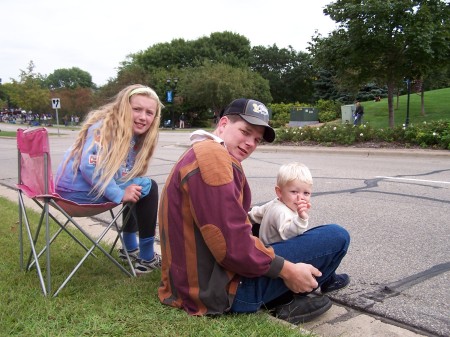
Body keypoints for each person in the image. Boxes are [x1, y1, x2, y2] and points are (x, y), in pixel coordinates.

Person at [158, 98, 351, 324]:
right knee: (336, 237)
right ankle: (288, 296)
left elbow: (225, 221)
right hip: (221, 291)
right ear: (223, 124)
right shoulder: (213, 160)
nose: (250, 143)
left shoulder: (203, 151)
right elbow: (231, 247)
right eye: (245, 131)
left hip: (194, 281)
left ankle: (285, 295)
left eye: (256, 139)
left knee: (270, 226)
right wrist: (287, 270)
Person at [55, 84, 163, 274]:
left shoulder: (122, 130)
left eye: (149, 112)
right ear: (123, 107)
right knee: (149, 187)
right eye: (136, 109)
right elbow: (90, 167)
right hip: (77, 195)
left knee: (136, 183)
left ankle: (129, 249)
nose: (143, 117)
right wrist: (119, 194)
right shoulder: (105, 128)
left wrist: (124, 188)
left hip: (75, 191)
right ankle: (146, 257)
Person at [248, 162, 313, 245]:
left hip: (266, 248)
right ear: (279, 192)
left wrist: (245, 216)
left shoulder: (274, 203)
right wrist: (301, 219)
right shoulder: (282, 211)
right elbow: (288, 234)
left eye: (306, 193)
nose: (301, 197)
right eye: (294, 192)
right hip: (277, 253)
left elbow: (254, 214)